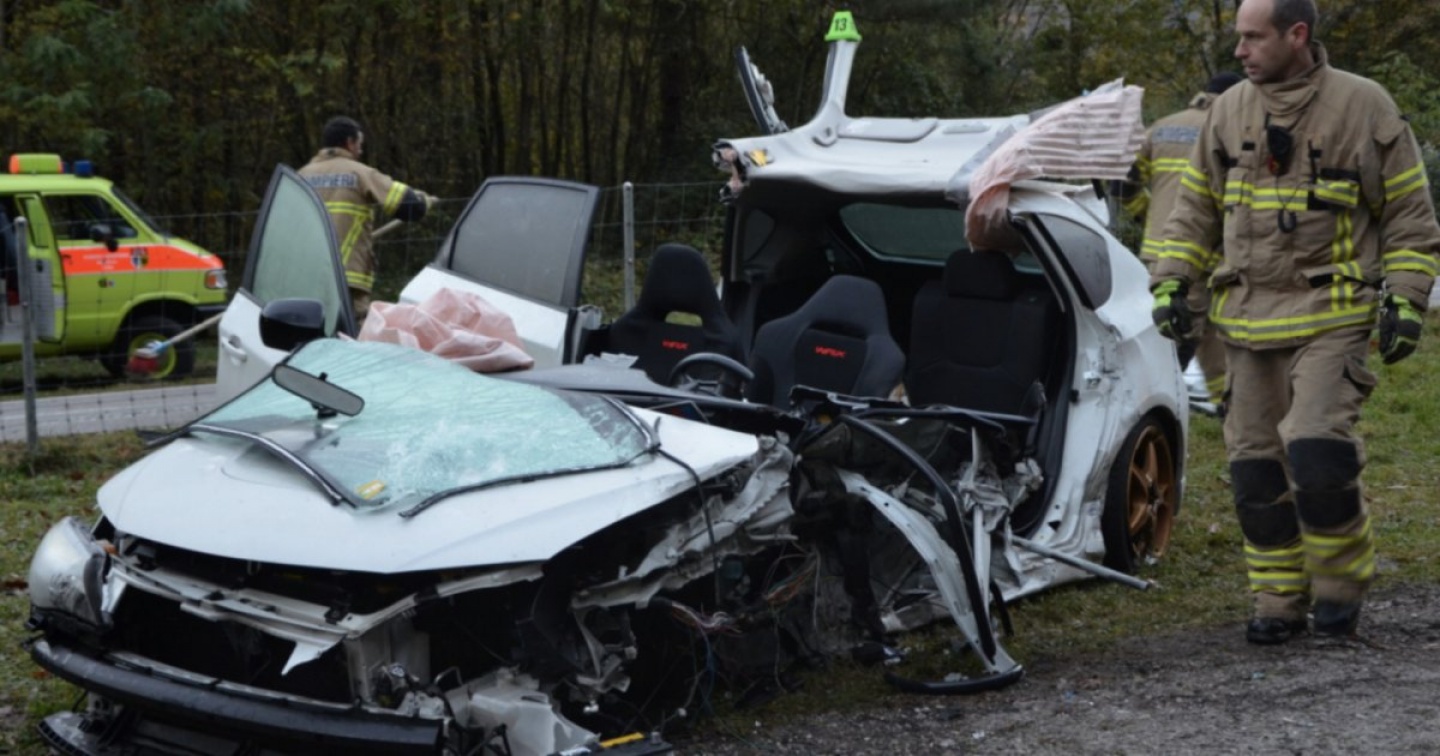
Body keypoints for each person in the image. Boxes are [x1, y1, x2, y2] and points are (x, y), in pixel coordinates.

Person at [1150, 0, 1440, 644]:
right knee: (1254, 467)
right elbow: (1193, 207)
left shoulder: (1363, 105)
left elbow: (1409, 215)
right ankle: (1277, 597)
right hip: (1245, 316)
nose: (1239, 51)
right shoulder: (1228, 110)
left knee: (1315, 448)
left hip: (1332, 313)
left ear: (1297, 34)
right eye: (1239, 38)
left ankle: (1339, 583)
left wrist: (1405, 298)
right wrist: (1172, 279)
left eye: (1254, 38)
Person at [1114, 71, 1243, 411]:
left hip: (1159, 249)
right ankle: (1147, 407)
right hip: (1205, 251)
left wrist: (1147, 215)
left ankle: (1227, 405)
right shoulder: (1231, 129)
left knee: (1200, 332)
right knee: (1183, 333)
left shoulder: (1163, 127)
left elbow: (1121, 183)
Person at [298, 116, 434, 322]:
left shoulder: (300, 176)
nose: (361, 151)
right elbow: (410, 207)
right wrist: (424, 200)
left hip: (305, 278)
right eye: (359, 144)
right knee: (350, 336)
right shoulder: (360, 173)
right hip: (347, 281)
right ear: (349, 142)